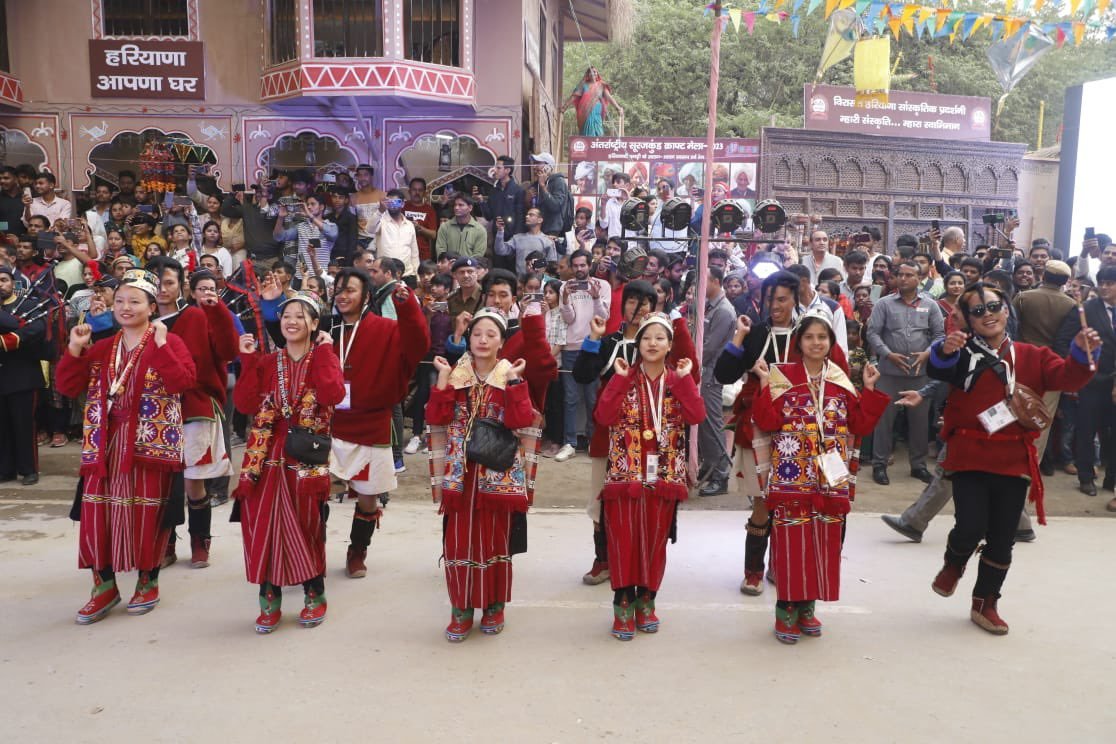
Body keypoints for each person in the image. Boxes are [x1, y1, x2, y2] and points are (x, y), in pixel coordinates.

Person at [927, 281, 1098, 634]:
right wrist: (944, 349)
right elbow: (938, 367)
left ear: (1007, 310)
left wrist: (1080, 352)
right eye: (977, 311)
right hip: (969, 454)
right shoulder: (960, 352)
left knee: (1004, 537)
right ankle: (955, 561)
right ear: (968, 320)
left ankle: (986, 602)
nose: (987, 315)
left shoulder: (1032, 354)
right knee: (970, 526)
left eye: (993, 306)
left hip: (1014, 457)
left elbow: (1067, 377)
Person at [56, 269, 197, 624]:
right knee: (97, 515)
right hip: (104, 445)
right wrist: (74, 348)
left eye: (134, 301)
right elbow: (69, 387)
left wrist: (164, 346)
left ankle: (148, 581)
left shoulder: (170, 342)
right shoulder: (103, 347)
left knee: (146, 513)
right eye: (119, 301)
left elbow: (182, 381)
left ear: (152, 306)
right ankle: (103, 585)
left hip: (148, 446)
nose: (125, 307)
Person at [752, 310, 888, 643]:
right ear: (799, 341)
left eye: (822, 337)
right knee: (789, 542)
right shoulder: (781, 376)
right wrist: (764, 385)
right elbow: (767, 421)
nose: (816, 343)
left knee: (824, 542)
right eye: (810, 337)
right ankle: (786, 609)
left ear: (830, 343)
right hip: (790, 478)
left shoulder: (841, 379)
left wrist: (869, 389)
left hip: (830, 479)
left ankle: (808, 607)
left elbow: (860, 425)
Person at [713, 270, 850, 595]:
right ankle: (753, 571)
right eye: (769, 298)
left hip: (804, 434)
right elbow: (723, 373)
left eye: (782, 299)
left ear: (796, 298)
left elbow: (837, 375)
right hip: (759, 428)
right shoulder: (756, 333)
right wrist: (738, 337)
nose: (774, 305)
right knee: (762, 502)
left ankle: (782, 564)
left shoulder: (811, 334)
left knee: (796, 502)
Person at [231, 291, 345, 632]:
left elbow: (332, 395)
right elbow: (246, 403)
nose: (292, 321)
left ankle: (315, 593)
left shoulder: (324, 356)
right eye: (286, 316)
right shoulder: (268, 362)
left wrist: (325, 351)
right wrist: (248, 360)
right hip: (264, 458)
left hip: (305, 456)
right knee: (262, 523)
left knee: (306, 524)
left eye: (300, 316)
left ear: (314, 324)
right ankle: (270, 595)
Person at [573, 282, 697, 586]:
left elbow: (691, 377)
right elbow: (582, 375)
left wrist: (676, 324)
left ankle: (642, 563)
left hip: (657, 442)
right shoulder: (609, 341)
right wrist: (592, 337)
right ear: (622, 305)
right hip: (612, 436)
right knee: (601, 500)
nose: (638, 308)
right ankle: (604, 559)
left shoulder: (661, 342)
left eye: (645, 303)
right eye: (632, 301)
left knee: (652, 503)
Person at [593, 313, 704, 640]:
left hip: (665, 477)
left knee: (654, 543)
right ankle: (622, 603)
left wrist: (685, 380)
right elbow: (603, 416)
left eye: (659, 338)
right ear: (637, 344)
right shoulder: (625, 377)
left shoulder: (677, 379)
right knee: (623, 542)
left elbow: (697, 415)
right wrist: (618, 380)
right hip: (624, 477)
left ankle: (647, 600)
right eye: (646, 338)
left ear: (670, 344)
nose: (652, 343)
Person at [426, 309, 535, 642]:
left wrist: (515, 383)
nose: (483, 340)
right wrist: (443, 383)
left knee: (494, 542)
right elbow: (436, 417)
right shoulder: (456, 375)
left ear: (502, 341)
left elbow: (520, 420)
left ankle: (494, 606)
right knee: (458, 542)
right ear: (468, 338)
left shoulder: (508, 375)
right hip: (461, 474)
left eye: (491, 334)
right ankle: (460, 609)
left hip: (496, 471)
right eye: (476, 334)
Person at [320, 268, 430, 578]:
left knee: (368, 498)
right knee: (315, 490)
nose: (342, 295)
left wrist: (408, 306)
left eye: (350, 290)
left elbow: (418, 344)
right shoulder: (325, 328)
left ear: (366, 296)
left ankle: (357, 550)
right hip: (329, 423)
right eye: (339, 289)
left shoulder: (386, 328)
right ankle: (314, 548)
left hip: (372, 423)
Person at [148, 257, 239, 570]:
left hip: (194, 405)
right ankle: (166, 543)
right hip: (153, 413)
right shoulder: (140, 320)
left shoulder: (197, 316)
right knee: (160, 484)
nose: (161, 289)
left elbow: (228, 351)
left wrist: (217, 311)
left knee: (192, 483)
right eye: (156, 283)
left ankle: (200, 541)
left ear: (182, 285)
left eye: (169, 283)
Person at [865, 260, 944, 486]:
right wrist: (888, 354)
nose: (904, 278)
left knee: (919, 423)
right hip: (888, 373)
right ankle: (879, 465)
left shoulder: (931, 305)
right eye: (900, 274)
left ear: (920, 278)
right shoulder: (884, 304)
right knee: (884, 421)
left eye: (910, 275)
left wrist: (927, 353)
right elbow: (872, 333)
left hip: (920, 374)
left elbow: (940, 335)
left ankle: (918, 466)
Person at [1053, 265, 1116, 499]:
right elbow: (1062, 341)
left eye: (1110, 283)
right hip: (1091, 382)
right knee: (1087, 431)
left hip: (1115, 383)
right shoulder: (1085, 309)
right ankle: (1086, 477)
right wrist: (1075, 371)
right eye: (1102, 282)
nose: (1105, 287)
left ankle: (1111, 479)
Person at [556, 249, 611, 462]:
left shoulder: (602, 286)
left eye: (583, 265)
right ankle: (569, 442)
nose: (579, 269)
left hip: (593, 347)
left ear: (590, 265)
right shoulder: (564, 286)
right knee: (570, 398)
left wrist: (596, 297)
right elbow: (568, 319)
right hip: (570, 348)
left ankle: (593, 440)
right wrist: (565, 298)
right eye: (576, 265)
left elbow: (604, 317)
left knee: (592, 398)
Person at [0, 266, 47, 486]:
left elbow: (36, 329)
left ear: (12, 283)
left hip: (22, 375)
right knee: (3, 427)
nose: (0, 284)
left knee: (23, 425)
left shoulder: (26, 305)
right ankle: (5, 469)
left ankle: (29, 469)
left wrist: (8, 341)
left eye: (3, 280)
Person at [697, 267, 738, 496]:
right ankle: (711, 465)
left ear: (714, 281)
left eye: (704, 281)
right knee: (704, 424)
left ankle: (721, 474)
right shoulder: (713, 306)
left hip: (711, 374)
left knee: (713, 425)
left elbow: (709, 347)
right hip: (706, 372)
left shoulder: (723, 310)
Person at [560, 66, 623, 137]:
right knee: (586, 131)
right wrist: (564, 107)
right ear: (587, 74)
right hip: (584, 112)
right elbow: (574, 96)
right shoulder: (583, 85)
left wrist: (618, 108)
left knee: (598, 130)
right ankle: (586, 145)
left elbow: (609, 97)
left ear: (597, 74)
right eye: (591, 72)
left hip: (597, 111)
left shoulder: (601, 85)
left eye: (595, 72)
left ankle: (597, 146)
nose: (593, 73)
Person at [494, 207, 556, 276]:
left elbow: (551, 264)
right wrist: (500, 231)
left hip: (539, 281)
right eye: (527, 214)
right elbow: (500, 250)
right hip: (520, 280)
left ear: (540, 220)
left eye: (531, 215)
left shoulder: (547, 241)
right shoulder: (517, 238)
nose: (527, 216)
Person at [375, 189, 420, 278]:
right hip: (386, 275)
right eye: (390, 202)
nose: (393, 205)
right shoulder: (381, 221)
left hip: (408, 274)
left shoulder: (410, 225)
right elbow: (369, 229)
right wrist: (380, 211)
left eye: (396, 202)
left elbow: (414, 252)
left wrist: (417, 275)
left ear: (402, 204)